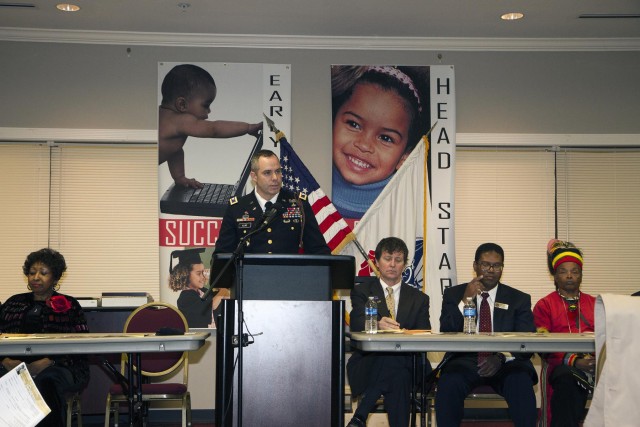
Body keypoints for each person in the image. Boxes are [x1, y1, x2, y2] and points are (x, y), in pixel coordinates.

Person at [436, 243, 538, 427]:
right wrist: (466, 299)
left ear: (502, 268)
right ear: (475, 266)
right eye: (485, 264)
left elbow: (527, 341)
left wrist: (501, 357)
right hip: (465, 360)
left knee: (520, 381)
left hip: (505, 362)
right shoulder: (454, 294)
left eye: (497, 265)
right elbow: (447, 331)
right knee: (449, 382)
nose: (491, 270)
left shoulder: (518, 299)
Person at [346, 237, 431, 427]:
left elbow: (424, 332)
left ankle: (361, 415)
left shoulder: (419, 299)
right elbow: (357, 323)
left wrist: (405, 334)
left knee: (396, 363)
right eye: (387, 258)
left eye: (398, 260)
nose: (392, 264)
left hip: (410, 364)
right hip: (368, 362)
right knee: (396, 370)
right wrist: (376, 324)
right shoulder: (361, 291)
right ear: (377, 262)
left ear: (405, 265)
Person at [0, 248, 90, 427]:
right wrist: (5, 361)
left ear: (55, 277)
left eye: (43, 273)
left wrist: (49, 362)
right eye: (32, 273)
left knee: (46, 382)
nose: (36, 277)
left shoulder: (69, 305)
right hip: (12, 365)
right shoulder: (13, 303)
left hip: (60, 366)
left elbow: (81, 344)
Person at [331, 65, 430, 219]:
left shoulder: (408, 215)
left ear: (405, 156)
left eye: (386, 138)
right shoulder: (302, 195)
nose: (364, 145)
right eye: (354, 124)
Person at [159, 63, 263, 189]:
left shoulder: (167, 119)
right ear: (182, 105)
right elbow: (214, 129)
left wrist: (179, 177)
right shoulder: (180, 120)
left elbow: (175, 151)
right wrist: (248, 128)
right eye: (206, 105)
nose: (209, 111)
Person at [215, 149, 330, 255]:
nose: (275, 178)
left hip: (290, 275)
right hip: (250, 276)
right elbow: (223, 254)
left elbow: (318, 250)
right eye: (267, 173)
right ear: (254, 176)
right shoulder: (238, 207)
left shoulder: (298, 204)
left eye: (278, 171)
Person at [533, 240, 595, 427]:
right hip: (560, 367)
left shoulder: (595, 303)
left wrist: (594, 361)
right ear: (555, 276)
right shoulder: (545, 305)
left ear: (581, 275)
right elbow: (543, 348)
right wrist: (576, 361)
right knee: (568, 379)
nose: (569, 276)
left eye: (575, 271)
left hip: (595, 365)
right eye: (563, 271)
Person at [169, 248, 230, 328]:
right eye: (198, 274)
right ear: (185, 274)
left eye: (203, 272)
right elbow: (211, 306)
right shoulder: (185, 298)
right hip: (199, 337)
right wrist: (222, 291)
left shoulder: (203, 291)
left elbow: (226, 296)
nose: (203, 277)